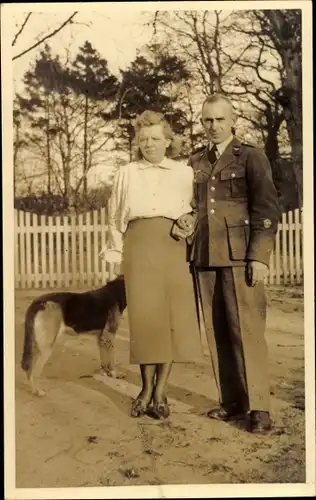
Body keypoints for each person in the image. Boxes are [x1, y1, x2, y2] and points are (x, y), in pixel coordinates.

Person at [176, 94, 280, 434]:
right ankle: (233, 402)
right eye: (207, 120)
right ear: (202, 122)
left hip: (240, 256)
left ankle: (259, 408)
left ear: (232, 120)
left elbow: (266, 211)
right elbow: (191, 205)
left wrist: (258, 257)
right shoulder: (194, 161)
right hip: (205, 254)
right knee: (216, 328)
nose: (214, 126)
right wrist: (185, 220)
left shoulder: (251, 156)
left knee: (247, 331)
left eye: (220, 119)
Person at [102, 110, 202, 420]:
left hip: (173, 249)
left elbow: (196, 211)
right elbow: (116, 217)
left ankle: (161, 392)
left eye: (156, 138)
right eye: (143, 139)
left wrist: (190, 221)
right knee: (146, 322)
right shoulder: (126, 173)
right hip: (139, 248)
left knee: (170, 320)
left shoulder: (184, 173)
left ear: (168, 141)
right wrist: (117, 257)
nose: (149, 144)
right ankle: (145, 389)